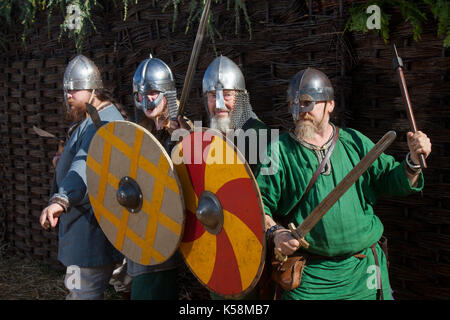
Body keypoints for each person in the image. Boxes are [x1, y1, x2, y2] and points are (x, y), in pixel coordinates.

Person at [255, 67, 432, 300]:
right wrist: (276, 233)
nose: (299, 111)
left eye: (307, 102)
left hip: (363, 271)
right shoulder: (277, 152)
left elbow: (391, 180)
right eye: (293, 104)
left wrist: (412, 161)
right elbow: (259, 206)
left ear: (330, 104)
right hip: (309, 278)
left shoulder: (355, 142)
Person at [39, 55, 126, 299]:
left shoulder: (103, 123)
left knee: (80, 293)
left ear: (94, 89)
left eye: (76, 89)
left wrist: (62, 199)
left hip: (89, 235)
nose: (69, 95)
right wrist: (61, 162)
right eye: (67, 89)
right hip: (88, 232)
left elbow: (88, 165)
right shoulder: (93, 119)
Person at [202, 55, 272, 299]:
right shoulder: (212, 134)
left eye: (227, 95)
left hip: (247, 239)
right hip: (216, 233)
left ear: (241, 98)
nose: (219, 103)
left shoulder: (257, 133)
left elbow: (262, 193)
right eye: (212, 95)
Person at [127, 54, 191, 300]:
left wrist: (184, 138)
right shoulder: (138, 131)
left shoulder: (185, 129)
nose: (147, 99)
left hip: (165, 229)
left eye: (153, 92)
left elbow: (196, 173)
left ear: (168, 95)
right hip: (138, 224)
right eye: (141, 94)